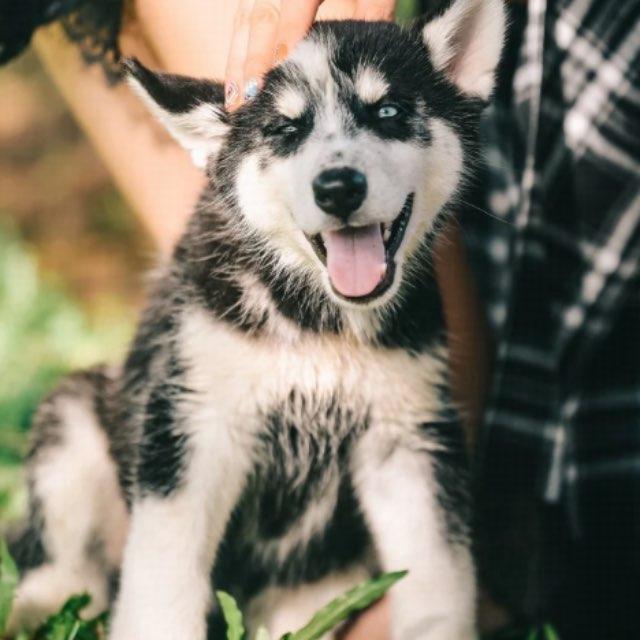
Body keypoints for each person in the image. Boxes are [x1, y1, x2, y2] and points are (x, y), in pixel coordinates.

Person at [2, 0, 639, 638]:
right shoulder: (221, 283)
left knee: (411, 447)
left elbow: (408, 470)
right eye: (286, 132)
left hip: (308, 578)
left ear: (461, 71)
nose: (338, 172)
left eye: (386, 115)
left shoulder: (409, 297)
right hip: (129, 524)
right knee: (88, 422)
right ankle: (63, 582)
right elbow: (183, 469)